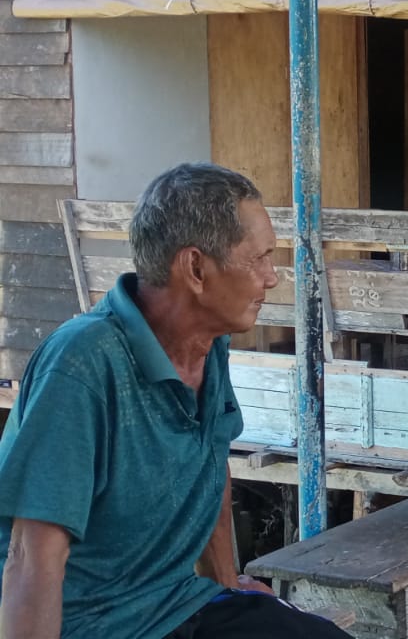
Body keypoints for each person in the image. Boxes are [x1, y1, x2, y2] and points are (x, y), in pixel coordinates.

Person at [0, 164, 353, 639]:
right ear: (195, 268)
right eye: (259, 259)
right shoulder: (82, 362)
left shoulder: (210, 343)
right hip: (89, 624)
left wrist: (228, 589)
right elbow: (30, 555)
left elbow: (210, 464)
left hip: (173, 603)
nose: (272, 278)